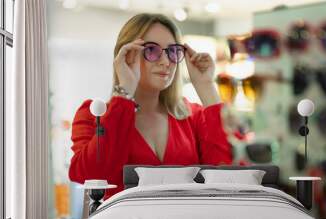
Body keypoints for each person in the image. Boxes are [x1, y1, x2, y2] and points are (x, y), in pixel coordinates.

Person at [68, 13, 233, 200]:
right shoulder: (93, 114)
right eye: (152, 50)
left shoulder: (193, 116)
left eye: (173, 51)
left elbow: (227, 176)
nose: (166, 62)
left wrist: (206, 87)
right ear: (126, 55)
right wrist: (124, 93)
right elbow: (93, 175)